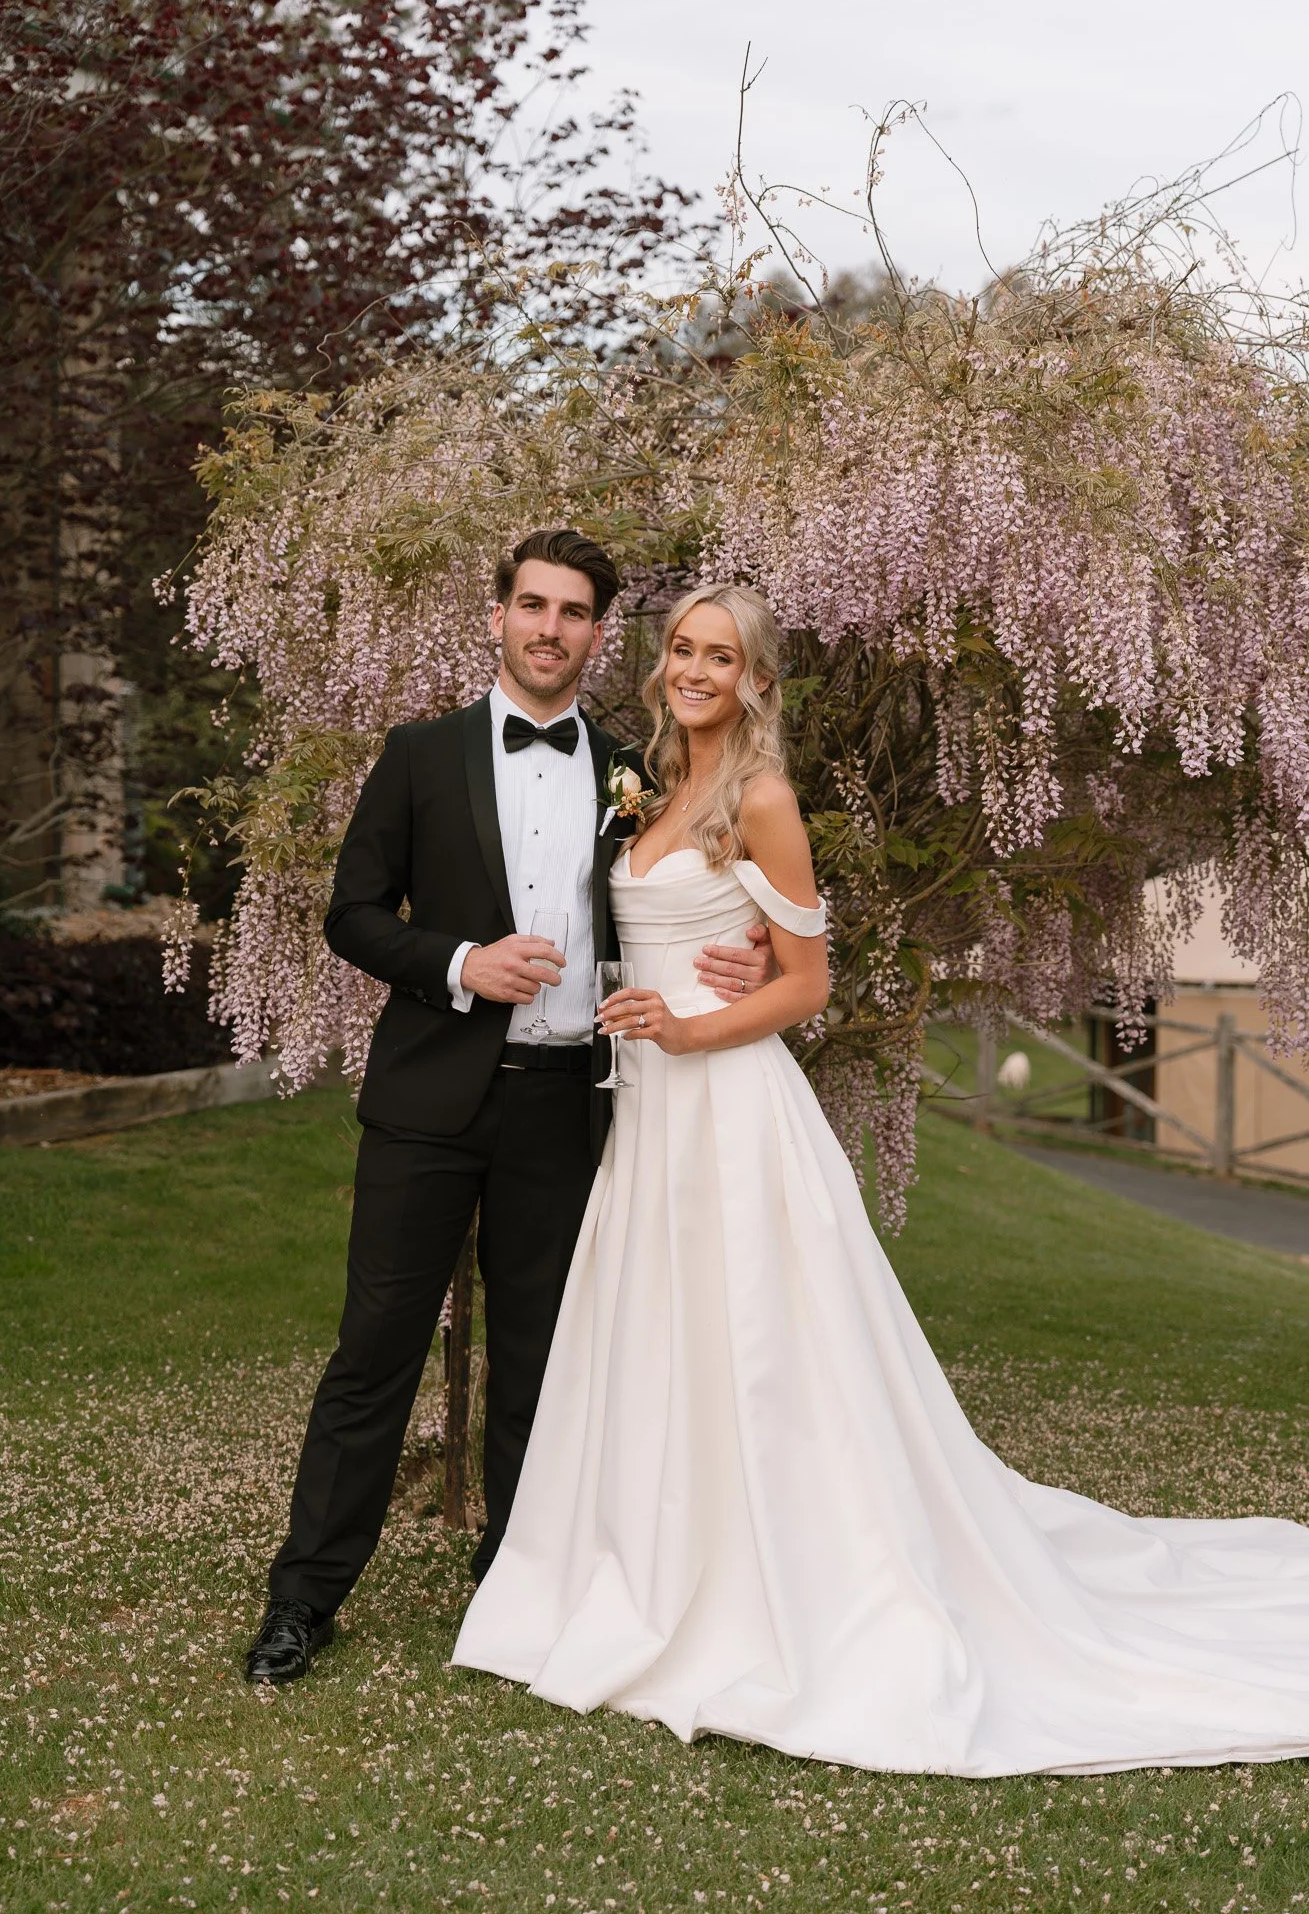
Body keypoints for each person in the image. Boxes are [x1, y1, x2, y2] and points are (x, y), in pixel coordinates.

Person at [453, 579, 1309, 1778]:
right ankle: (655, 1557)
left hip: (727, 1105)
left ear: (756, 678)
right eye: (683, 649)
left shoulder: (762, 793)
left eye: (722, 654)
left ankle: (779, 1576)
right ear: (662, 665)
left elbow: (808, 983)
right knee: (661, 1331)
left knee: (760, 1338)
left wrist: (697, 1025)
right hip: (645, 1114)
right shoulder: (642, 783)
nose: (696, 668)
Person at [244, 532, 775, 1686]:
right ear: (497, 617)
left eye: (574, 611)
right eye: (531, 604)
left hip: (570, 1107)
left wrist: (739, 959)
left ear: (597, 634)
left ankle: (516, 1589)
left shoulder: (646, 772)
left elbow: (702, 888)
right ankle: (305, 1597)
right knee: (375, 1351)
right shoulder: (420, 753)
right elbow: (351, 911)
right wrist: (458, 960)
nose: (549, 627)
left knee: (546, 1360)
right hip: (430, 1098)